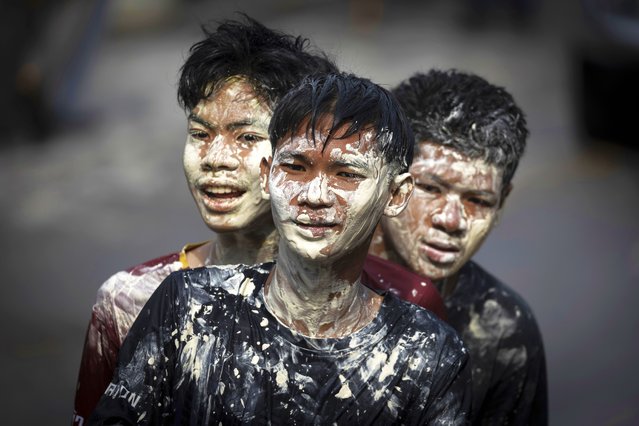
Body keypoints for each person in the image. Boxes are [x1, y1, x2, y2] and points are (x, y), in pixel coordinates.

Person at [73, 17, 445, 425]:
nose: (215, 159)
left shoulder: (405, 303)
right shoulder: (134, 299)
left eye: (247, 137)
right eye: (199, 134)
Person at [370, 69, 548, 425]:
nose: (451, 220)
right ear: (387, 175)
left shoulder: (503, 332)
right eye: (431, 189)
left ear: (502, 202)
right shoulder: (300, 276)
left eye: (478, 200)